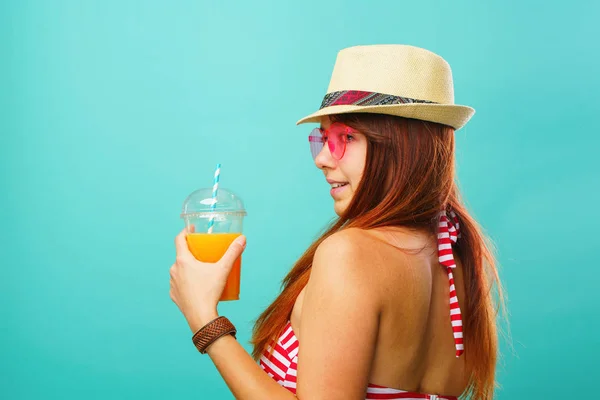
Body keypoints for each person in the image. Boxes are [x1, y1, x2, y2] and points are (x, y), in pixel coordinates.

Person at [169, 44, 504, 400]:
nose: (323, 159)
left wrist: (205, 320)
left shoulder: (349, 255)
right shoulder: (455, 254)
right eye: (323, 139)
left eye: (346, 138)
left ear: (402, 146)